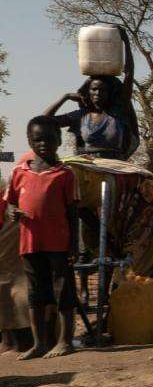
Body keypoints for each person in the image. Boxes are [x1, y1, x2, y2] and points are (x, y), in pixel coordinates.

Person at [4, 118, 79, 358]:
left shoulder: (65, 174)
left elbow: (73, 213)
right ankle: (39, 344)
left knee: (63, 292)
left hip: (58, 243)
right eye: (38, 139)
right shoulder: (19, 172)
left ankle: (65, 341)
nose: (44, 144)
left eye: (49, 138)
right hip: (29, 242)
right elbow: (10, 203)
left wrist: (74, 245)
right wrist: (11, 211)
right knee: (36, 294)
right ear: (30, 141)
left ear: (58, 140)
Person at [43, 26, 140, 160]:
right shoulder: (80, 116)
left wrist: (126, 42)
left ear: (110, 93)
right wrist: (65, 97)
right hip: (86, 168)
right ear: (87, 92)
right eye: (94, 89)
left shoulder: (118, 112)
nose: (97, 93)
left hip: (115, 168)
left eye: (103, 90)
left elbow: (129, 74)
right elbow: (43, 122)